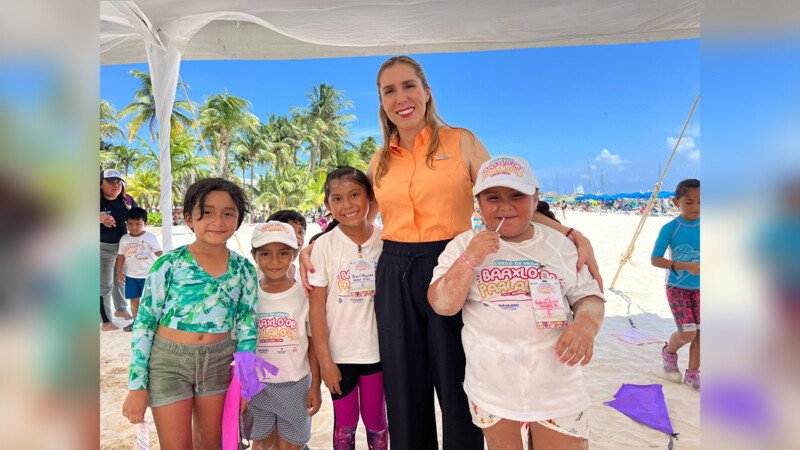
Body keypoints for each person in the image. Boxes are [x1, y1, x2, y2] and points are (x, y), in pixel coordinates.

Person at [301, 55, 601, 450]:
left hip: (452, 264)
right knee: (404, 386)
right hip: (393, 269)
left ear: (427, 92)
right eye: (389, 90)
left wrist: (569, 232)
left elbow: (506, 196)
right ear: (382, 101)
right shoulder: (380, 159)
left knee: (456, 379)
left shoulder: (461, 141)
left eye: (409, 86)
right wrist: (315, 245)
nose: (400, 97)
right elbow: (357, 217)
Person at [428, 155, 605, 449]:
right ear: (478, 203)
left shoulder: (560, 245)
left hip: (556, 385)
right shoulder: (462, 245)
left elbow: (589, 297)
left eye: (517, 196)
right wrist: (469, 259)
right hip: (491, 385)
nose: (505, 206)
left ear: (535, 199)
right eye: (493, 197)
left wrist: (586, 324)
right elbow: (442, 305)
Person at [121, 178, 258, 448]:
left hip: (218, 363)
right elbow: (145, 324)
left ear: (239, 219)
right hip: (167, 364)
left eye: (228, 213)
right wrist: (137, 386)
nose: (218, 221)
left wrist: (246, 383)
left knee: (210, 443)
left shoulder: (244, 270)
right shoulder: (168, 264)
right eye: (206, 212)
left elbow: (247, 328)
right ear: (188, 218)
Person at [307, 166, 389, 449]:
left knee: (377, 422)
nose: (347, 205)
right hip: (339, 356)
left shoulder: (385, 241)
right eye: (337, 199)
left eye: (355, 195)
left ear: (370, 197)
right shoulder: (324, 246)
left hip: (378, 353)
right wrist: (325, 363)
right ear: (328, 205)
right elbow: (316, 310)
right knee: (345, 424)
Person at [247, 221, 321, 449]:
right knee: (261, 442)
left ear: (295, 255)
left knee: (291, 444)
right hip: (256, 385)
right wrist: (243, 385)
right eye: (265, 254)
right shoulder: (248, 294)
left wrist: (315, 384)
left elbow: (312, 342)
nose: (274, 261)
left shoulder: (305, 293)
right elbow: (238, 342)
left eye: (283, 253)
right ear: (254, 256)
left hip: (296, 384)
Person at [651, 178, 700, 391]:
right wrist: (683, 266)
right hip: (677, 288)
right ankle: (669, 353)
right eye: (689, 202)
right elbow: (655, 259)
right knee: (688, 333)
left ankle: (693, 372)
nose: (696, 207)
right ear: (676, 202)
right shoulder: (670, 228)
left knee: (702, 332)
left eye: (701, 202)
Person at [100, 168, 137, 330]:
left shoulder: (127, 200)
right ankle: (106, 321)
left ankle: (121, 309)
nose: (115, 185)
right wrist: (101, 217)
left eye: (118, 182)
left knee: (121, 279)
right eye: (110, 182)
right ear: (100, 184)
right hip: (101, 247)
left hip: (123, 248)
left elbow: (138, 216)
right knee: (104, 284)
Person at [116, 207, 162, 332]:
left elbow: (159, 253)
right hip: (131, 276)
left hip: (148, 275)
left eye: (138, 224)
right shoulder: (124, 239)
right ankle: (136, 322)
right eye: (130, 224)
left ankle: (152, 322)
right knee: (134, 300)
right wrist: (119, 273)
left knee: (149, 301)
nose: (134, 227)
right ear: (126, 224)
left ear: (145, 224)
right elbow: (121, 257)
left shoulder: (150, 237)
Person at [268, 209, 308, 278]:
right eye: (291, 231)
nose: (297, 236)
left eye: (300, 232)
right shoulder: (254, 274)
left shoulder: (304, 277)